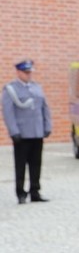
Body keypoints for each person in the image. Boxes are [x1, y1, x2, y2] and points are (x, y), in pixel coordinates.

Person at [4, 59, 52, 203]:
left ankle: (35, 191)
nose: (29, 75)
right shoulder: (11, 89)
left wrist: (47, 126)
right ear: (18, 72)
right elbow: (8, 112)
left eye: (30, 72)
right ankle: (20, 193)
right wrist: (13, 131)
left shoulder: (37, 87)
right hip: (22, 134)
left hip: (37, 132)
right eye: (26, 72)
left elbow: (45, 108)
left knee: (36, 163)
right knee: (20, 164)